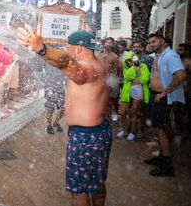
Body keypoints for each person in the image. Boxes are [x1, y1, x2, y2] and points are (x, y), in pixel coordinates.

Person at [17, 27, 111, 206]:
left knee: (79, 190)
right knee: (97, 183)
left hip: (86, 136)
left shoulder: (87, 69)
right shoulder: (100, 64)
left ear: (79, 49)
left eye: (68, 46)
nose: (66, 50)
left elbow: (65, 62)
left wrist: (42, 49)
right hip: (99, 131)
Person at [144, 34, 186, 176]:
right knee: (158, 128)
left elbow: (181, 75)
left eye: (154, 41)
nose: (152, 44)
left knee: (161, 129)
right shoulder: (160, 55)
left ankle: (167, 165)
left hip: (162, 97)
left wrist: (164, 92)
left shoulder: (170, 56)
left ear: (162, 41)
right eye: (150, 42)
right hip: (156, 96)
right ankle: (161, 157)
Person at [117, 52, 150, 141]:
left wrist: (138, 70)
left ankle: (132, 131)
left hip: (139, 91)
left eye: (132, 60)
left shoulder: (144, 67)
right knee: (123, 112)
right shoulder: (126, 66)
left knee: (134, 112)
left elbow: (145, 79)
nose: (130, 62)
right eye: (128, 60)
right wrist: (134, 69)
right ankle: (124, 130)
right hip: (127, 91)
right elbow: (127, 77)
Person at [99, 37, 122, 121]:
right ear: (104, 44)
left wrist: (114, 80)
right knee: (102, 98)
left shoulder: (115, 56)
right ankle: (104, 114)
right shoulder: (99, 54)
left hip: (112, 79)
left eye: (110, 42)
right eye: (107, 42)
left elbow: (118, 70)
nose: (108, 44)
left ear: (112, 45)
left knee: (114, 99)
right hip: (102, 78)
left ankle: (115, 112)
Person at [43, 52, 66, 134]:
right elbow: (37, 67)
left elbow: (66, 76)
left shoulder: (63, 62)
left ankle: (56, 123)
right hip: (50, 89)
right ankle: (49, 125)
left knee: (64, 108)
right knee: (50, 108)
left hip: (60, 88)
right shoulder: (46, 60)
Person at [175, 43, 191, 139]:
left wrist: (187, 85)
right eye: (178, 49)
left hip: (185, 91)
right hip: (177, 90)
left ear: (187, 51)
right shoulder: (178, 61)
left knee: (184, 113)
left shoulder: (188, 62)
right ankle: (178, 130)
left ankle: (185, 132)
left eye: (181, 50)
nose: (178, 51)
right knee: (176, 111)